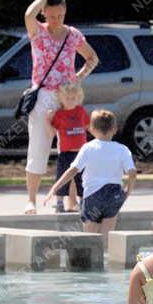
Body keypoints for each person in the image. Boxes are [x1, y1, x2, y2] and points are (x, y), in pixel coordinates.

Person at [23, 0, 99, 214]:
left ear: (65, 12)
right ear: (44, 13)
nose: (55, 20)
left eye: (60, 15)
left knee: (73, 148)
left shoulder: (73, 34)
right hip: (43, 95)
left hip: (68, 97)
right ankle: (31, 200)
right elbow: (28, 15)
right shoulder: (38, 31)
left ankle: (72, 200)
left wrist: (77, 79)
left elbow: (92, 58)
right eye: (51, 15)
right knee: (38, 147)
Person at [43, 109, 136, 243]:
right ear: (115, 129)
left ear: (91, 129)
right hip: (114, 194)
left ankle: (90, 260)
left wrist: (54, 188)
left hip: (93, 195)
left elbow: (73, 170)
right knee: (107, 239)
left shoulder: (88, 147)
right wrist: (127, 191)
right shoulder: (123, 149)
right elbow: (132, 173)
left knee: (89, 239)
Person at [50, 81, 88, 212]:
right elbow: (53, 130)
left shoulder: (81, 111)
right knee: (62, 176)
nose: (71, 101)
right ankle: (59, 203)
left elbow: (87, 126)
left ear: (78, 98)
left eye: (73, 98)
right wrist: (47, 119)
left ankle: (83, 203)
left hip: (81, 152)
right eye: (67, 98)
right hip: (65, 152)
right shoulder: (59, 114)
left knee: (82, 178)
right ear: (61, 98)